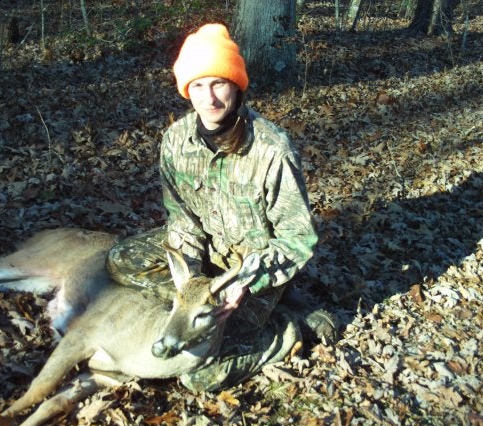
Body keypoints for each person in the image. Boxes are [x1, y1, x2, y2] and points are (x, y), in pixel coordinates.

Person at [106, 23, 337, 392]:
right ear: (186, 90)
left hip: (251, 269)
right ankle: (202, 308)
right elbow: (181, 218)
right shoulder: (176, 141)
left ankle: (290, 325)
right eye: (198, 85)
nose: (209, 98)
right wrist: (188, 279)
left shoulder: (272, 150)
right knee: (120, 260)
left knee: (199, 375)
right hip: (206, 259)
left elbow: (298, 238)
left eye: (219, 83)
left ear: (237, 86)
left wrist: (246, 283)